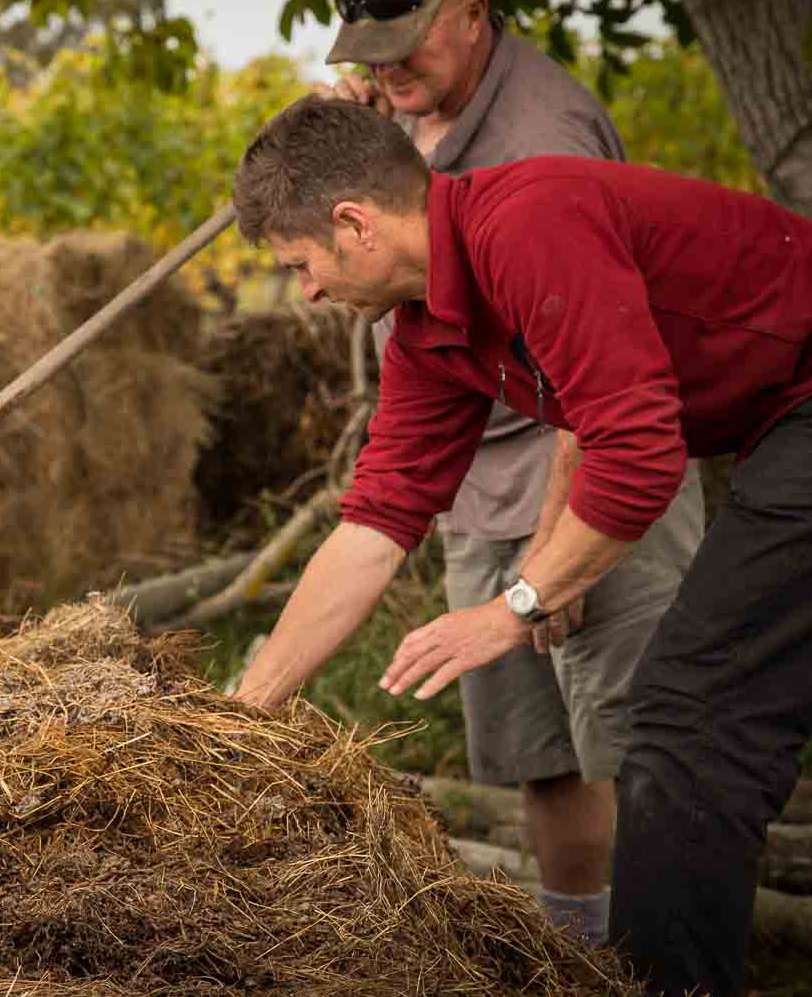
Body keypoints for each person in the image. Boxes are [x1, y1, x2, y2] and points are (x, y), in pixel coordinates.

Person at [230, 94, 812, 997]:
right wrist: (245, 714)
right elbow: (377, 520)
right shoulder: (425, 330)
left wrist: (515, 605)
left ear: (354, 225)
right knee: (696, 712)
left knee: (687, 720)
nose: (304, 290)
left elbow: (637, 451)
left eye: (300, 263)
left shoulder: (528, 223)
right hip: (777, 426)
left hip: (802, 402)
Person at [297, 0, 704, 947]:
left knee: (635, 744)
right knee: (539, 756)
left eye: (405, 49)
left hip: (584, 467)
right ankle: (577, 955)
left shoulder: (542, 137)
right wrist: (356, 129)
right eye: (368, 56)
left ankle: (671, 959)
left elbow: (605, 399)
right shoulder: (406, 113)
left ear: (471, 12)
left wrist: (544, 564)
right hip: (476, 469)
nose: (385, 71)